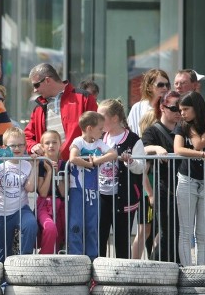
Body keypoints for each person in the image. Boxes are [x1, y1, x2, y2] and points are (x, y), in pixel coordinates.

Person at [173, 92, 205, 266]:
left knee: (203, 232)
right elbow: (178, 149)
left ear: (197, 107)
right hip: (187, 180)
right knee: (185, 231)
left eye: (186, 109)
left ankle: (200, 269)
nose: (182, 113)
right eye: (180, 109)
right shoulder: (181, 125)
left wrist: (199, 147)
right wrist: (203, 154)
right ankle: (187, 269)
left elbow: (199, 142)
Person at [96, 98, 145, 259]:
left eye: (101, 117)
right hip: (102, 194)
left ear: (115, 118)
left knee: (122, 238)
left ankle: (122, 276)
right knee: (100, 236)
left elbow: (141, 167)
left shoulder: (132, 139)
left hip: (124, 196)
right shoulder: (99, 138)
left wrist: (130, 161)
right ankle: (99, 273)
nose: (98, 121)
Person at [25, 63, 98, 162]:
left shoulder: (83, 98)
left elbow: (98, 129)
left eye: (36, 85)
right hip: (50, 169)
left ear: (47, 80)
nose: (35, 90)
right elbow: (27, 136)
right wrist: (33, 146)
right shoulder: (38, 108)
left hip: (81, 167)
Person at [68, 111, 116, 259]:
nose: (102, 132)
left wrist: (96, 161)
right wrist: (89, 164)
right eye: (100, 129)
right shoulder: (78, 141)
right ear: (89, 128)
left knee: (92, 225)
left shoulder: (99, 144)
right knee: (76, 224)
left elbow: (113, 154)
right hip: (77, 189)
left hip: (93, 190)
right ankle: (75, 256)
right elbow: (73, 158)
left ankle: (92, 257)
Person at [141, 92, 182, 263]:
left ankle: (177, 264)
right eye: (174, 108)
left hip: (184, 187)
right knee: (165, 232)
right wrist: (156, 148)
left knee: (179, 232)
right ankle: (157, 267)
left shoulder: (183, 129)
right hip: (163, 187)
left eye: (181, 109)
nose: (178, 112)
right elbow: (142, 152)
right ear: (162, 108)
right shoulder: (153, 131)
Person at [0, 127, 38, 261]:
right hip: (1, 212)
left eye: (21, 145)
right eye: (13, 145)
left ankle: (24, 260)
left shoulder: (27, 165)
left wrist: (35, 165)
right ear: (5, 147)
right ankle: (3, 277)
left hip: (20, 209)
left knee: (30, 224)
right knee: (3, 249)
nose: (17, 148)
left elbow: (29, 188)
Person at [35, 130, 65, 254]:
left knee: (59, 236)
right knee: (50, 228)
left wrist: (57, 172)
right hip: (44, 204)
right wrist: (49, 172)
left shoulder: (64, 164)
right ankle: (43, 258)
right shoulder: (40, 164)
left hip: (61, 205)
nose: (51, 145)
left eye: (54, 142)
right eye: (47, 143)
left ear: (60, 145)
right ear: (42, 146)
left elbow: (63, 193)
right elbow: (42, 192)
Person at [128, 69, 170, 136]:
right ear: (149, 87)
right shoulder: (138, 108)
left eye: (167, 85)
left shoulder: (171, 107)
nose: (165, 88)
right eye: (160, 85)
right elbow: (132, 132)